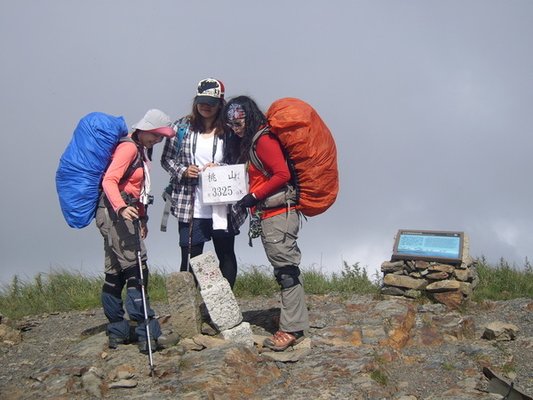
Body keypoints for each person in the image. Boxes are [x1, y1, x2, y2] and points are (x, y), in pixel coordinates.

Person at [224, 96, 309, 351]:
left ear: (248, 118)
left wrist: (254, 196)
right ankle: (292, 318)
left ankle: (291, 328)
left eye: (238, 123)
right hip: (273, 214)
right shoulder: (256, 140)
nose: (235, 128)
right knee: (284, 267)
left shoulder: (263, 140)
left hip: (278, 214)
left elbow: (282, 174)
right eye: (232, 125)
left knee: (286, 270)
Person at [96, 109, 175, 354]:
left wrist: (142, 218)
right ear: (145, 129)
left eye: (161, 137)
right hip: (116, 213)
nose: (158, 141)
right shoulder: (129, 148)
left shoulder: (139, 148)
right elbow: (109, 180)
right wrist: (121, 209)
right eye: (156, 135)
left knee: (115, 271)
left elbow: (136, 188)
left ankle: (118, 331)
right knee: (137, 270)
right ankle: (146, 334)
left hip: (115, 213)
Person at [160, 78, 246, 288]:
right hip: (191, 204)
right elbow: (166, 159)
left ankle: (225, 308)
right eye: (201, 101)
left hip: (222, 204)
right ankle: (190, 311)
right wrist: (183, 170)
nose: (205, 106)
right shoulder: (181, 127)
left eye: (211, 102)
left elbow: (242, 161)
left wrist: (221, 168)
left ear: (221, 103)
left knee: (225, 255)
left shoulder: (230, 131)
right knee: (190, 257)